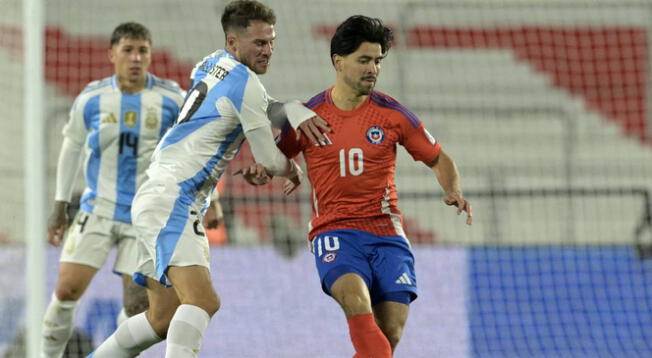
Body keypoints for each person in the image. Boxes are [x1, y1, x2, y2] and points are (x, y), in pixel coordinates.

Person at [86, 1, 329, 357]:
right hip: (175, 199)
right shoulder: (246, 83)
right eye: (259, 43)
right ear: (234, 43)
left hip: (159, 194)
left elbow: (260, 106)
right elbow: (269, 159)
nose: (268, 50)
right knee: (203, 300)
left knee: (163, 318)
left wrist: (289, 107)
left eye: (271, 41)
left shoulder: (212, 62)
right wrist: (290, 166)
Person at [243, 15, 473, 357]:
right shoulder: (310, 116)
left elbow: (440, 159)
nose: (373, 69)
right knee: (355, 300)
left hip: (387, 233)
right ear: (339, 61)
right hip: (334, 231)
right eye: (364, 60)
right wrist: (262, 172)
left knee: (388, 335)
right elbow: (276, 159)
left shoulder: (393, 115)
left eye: (377, 61)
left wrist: (452, 189)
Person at [41, 22, 199, 358]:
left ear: (150, 55)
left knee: (136, 305)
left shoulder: (171, 98)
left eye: (142, 50)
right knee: (67, 289)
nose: (136, 58)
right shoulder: (94, 97)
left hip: (145, 216)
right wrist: (59, 204)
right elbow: (71, 147)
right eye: (128, 50)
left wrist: (207, 200)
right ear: (112, 54)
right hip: (97, 208)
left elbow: (192, 148)